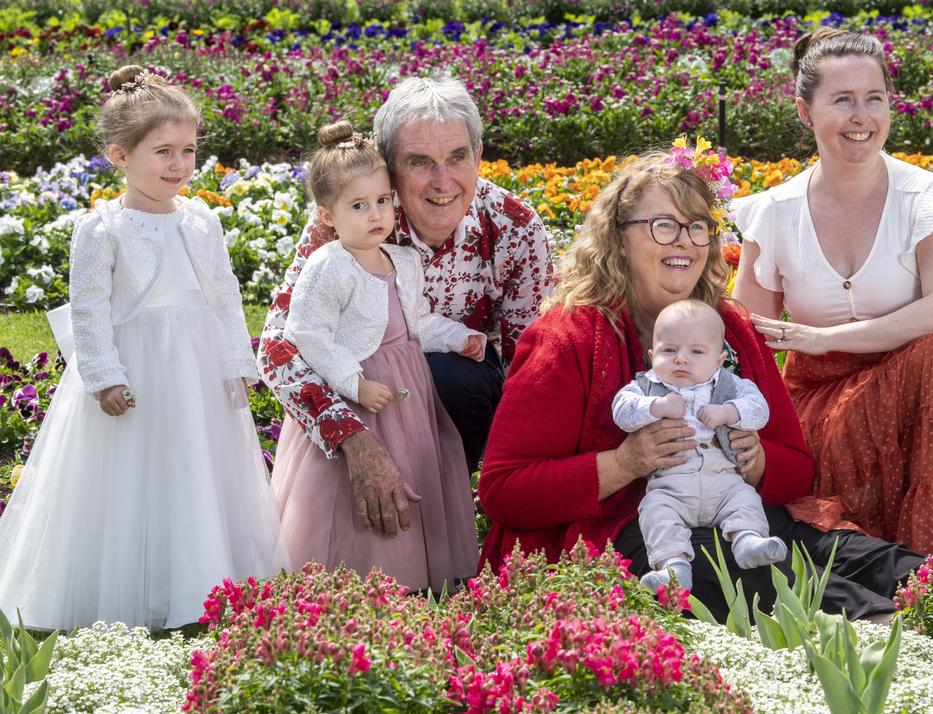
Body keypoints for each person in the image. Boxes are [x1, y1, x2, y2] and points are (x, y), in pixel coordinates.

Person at [478, 149, 922, 622]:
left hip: (734, 509)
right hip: (626, 532)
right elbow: (505, 489)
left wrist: (757, 460)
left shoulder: (728, 327)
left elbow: (796, 469)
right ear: (618, 239)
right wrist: (626, 462)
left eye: (697, 227)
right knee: (750, 569)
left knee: (865, 557)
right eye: (664, 225)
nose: (685, 242)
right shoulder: (568, 337)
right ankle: (881, 629)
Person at [0, 66, 289, 630]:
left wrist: (237, 360)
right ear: (119, 154)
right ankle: (120, 589)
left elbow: (227, 296)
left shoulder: (203, 221)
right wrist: (104, 374)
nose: (179, 165)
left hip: (196, 365)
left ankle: (198, 582)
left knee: (193, 466)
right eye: (162, 151)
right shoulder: (103, 229)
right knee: (132, 472)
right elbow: (88, 309)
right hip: (135, 365)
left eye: (188, 150)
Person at [731, 28, 933, 559]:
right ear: (805, 112)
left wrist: (825, 337)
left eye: (874, 99)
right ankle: (867, 558)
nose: (861, 117)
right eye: (842, 100)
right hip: (819, 412)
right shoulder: (773, 212)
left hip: (917, 404)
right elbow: (744, 338)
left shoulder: (928, 197)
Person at [258, 74, 553, 542]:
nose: (442, 181)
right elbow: (278, 345)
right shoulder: (350, 222)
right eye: (419, 162)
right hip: (359, 393)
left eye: (458, 157)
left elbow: (532, 363)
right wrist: (351, 438)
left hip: (458, 393)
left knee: (453, 377)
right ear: (389, 165)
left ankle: (447, 512)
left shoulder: (513, 226)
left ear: (479, 157)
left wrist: (523, 488)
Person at [271, 121, 483, 592]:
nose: (376, 215)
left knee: (412, 472)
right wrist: (352, 382)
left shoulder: (402, 260)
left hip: (408, 389)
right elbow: (305, 333)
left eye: (383, 201)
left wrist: (458, 336)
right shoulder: (328, 265)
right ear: (327, 215)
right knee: (345, 500)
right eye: (359, 206)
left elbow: (416, 320)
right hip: (363, 390)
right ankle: (357, 576)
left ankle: (414, 575)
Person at [612, 299, 786, 592]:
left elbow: (760, 409)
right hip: (671, 487)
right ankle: (672, 565)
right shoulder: (646, 387)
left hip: (724, 484)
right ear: (652, 356)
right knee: (655, 511)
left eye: (696, 351)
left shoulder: (731, 386)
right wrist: (655, 406)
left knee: (746, 500)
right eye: (670, 350)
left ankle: (748, 541)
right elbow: (622, 411)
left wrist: (729, 412)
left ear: (718, 360)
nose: (681, 359)